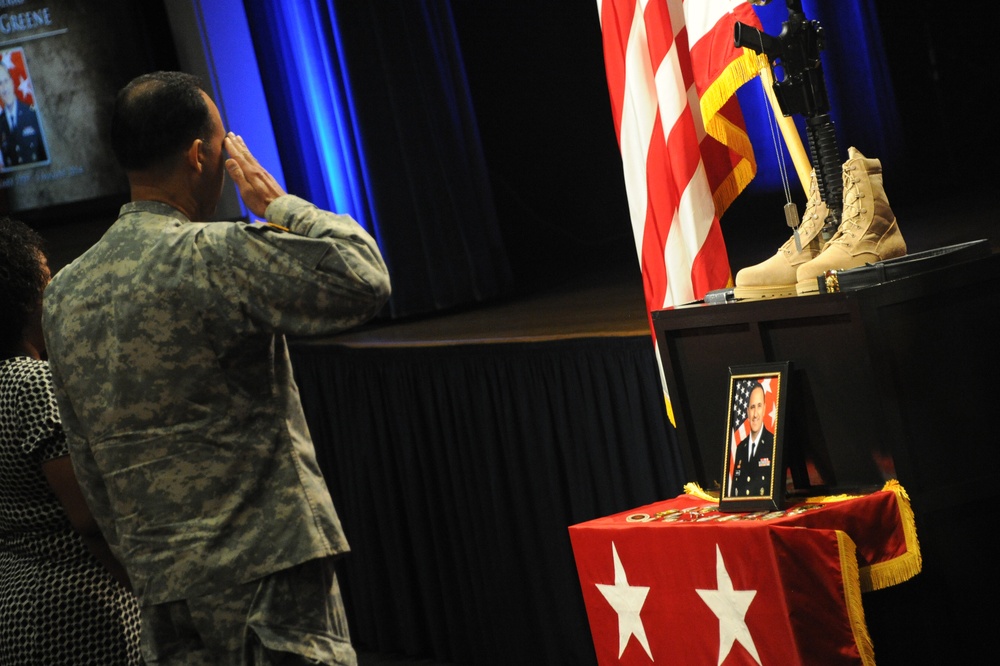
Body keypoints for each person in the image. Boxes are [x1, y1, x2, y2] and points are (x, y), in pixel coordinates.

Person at [42, 71, 391, 665]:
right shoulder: (211, 255)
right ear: (199, 156)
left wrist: (153, 567)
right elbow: (363, 276)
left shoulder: (65, 294)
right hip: (268, 578)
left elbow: (89, 464)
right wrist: (277, 203)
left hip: (165, 593)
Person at [0, 217, 142, 664]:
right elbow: (89, 520)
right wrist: (146, 590)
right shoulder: (34, 384)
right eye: (48, 285)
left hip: (15, 603)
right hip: (81, 603)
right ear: (27, 304)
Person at [0, 65, 47, 167]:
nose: (4, 88)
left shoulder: (32, 113)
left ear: (12, 83)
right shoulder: (0, 122)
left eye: (6, 81)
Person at [731, 383, 773, 497]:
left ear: (764, 408)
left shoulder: (773, 444)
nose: (755, 414)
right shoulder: (740, 448)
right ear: (747, 411)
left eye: (759, 406)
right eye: (752, 407)